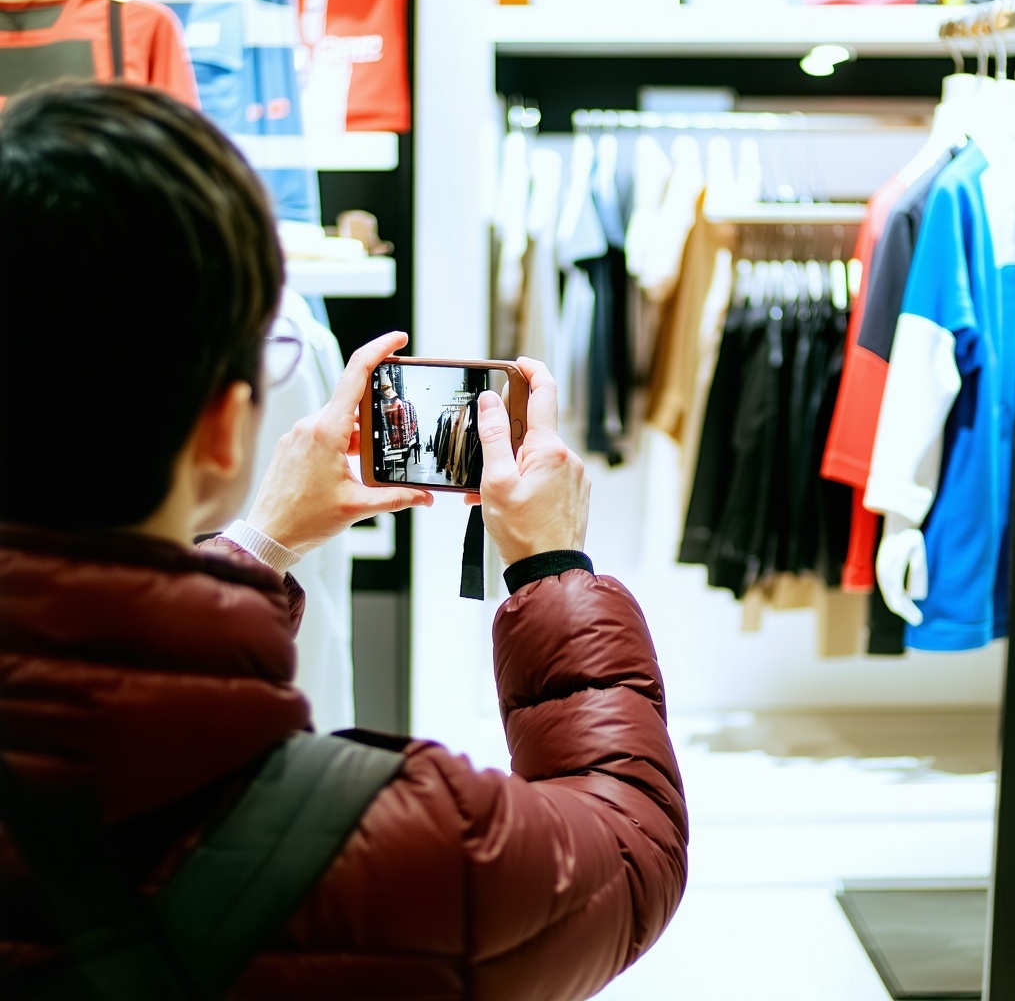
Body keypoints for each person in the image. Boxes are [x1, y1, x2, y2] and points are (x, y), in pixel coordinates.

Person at [0, 82, 687, 1000]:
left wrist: (258, 543)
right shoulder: (401, 845)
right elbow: (629, 851)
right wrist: (553, 567)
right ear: (223, 433)